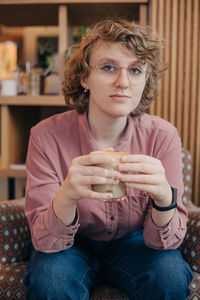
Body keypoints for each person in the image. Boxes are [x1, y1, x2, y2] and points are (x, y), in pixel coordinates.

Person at [24, 18, 193, 300]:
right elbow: (45, 242)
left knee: (169, 276)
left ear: (145, 80)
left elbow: (166, 243)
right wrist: (67, 195)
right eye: (108, 67)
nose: (123, 82)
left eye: (136, 69)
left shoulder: (162, 136)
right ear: (84, 78)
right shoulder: (45, 136)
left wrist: (165, 198)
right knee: (51, 280)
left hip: (136, 242)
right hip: (70, 244)